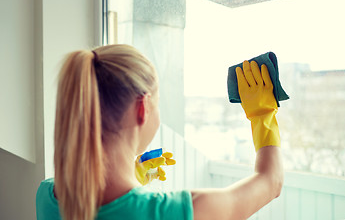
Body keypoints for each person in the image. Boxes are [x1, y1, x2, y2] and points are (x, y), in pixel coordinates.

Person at [36, 44, 283, 220]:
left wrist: (129, 173)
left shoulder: (47, 196)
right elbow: (271, 182)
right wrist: (262, 115)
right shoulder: (179, 213)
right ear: (143, 108)